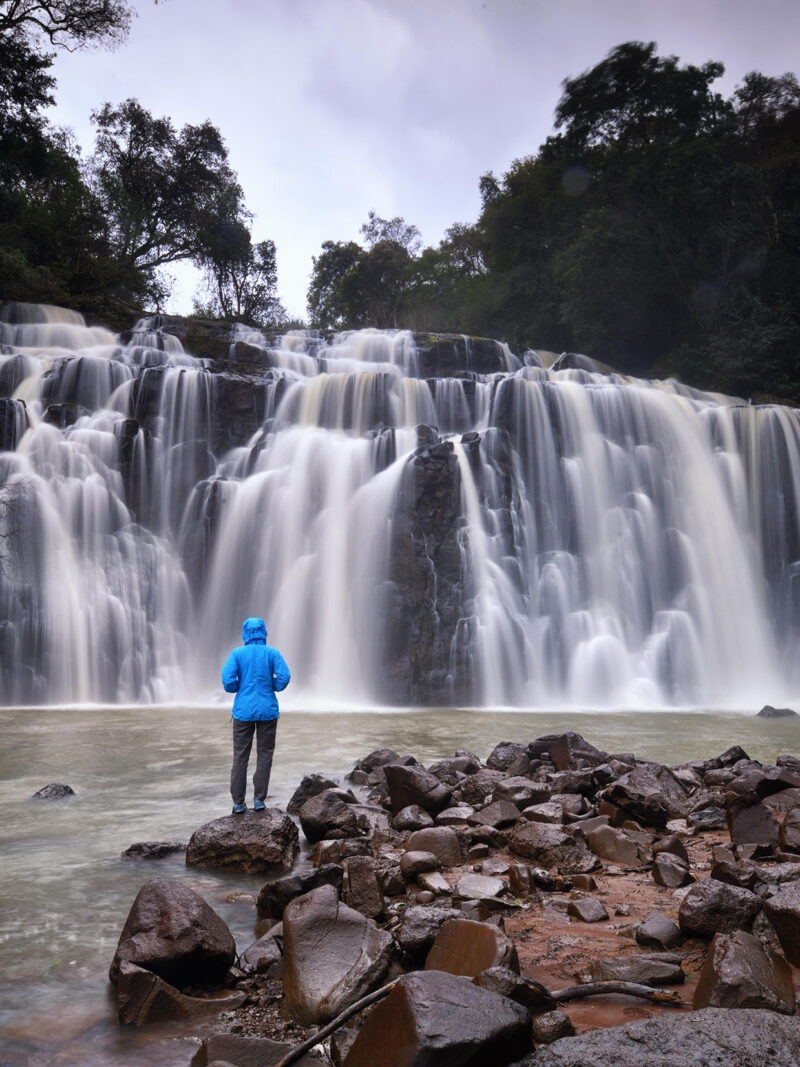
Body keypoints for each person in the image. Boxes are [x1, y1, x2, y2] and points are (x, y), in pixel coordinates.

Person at [221, 617, 291, 814]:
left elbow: (227, 681)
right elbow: (284, 676)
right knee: (265, 756)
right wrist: (273, 687)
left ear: (245, 633)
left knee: (240, 757)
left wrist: (238, 688)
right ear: (263, 633)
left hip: (243, 712)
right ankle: (259, 800)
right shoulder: (272, 653)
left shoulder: (237, 654)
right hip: (268, 711)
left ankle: (238, 804)